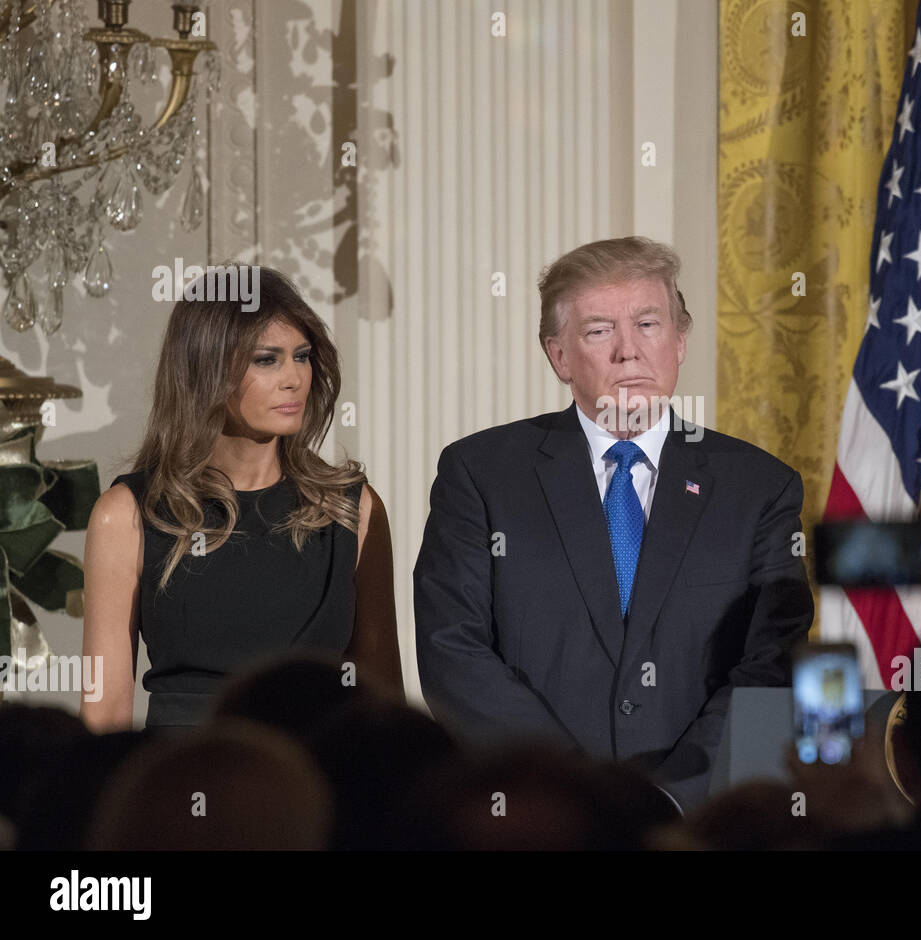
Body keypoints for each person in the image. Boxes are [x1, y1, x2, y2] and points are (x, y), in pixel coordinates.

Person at [413, 236, 814, 811]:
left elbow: (775, 659)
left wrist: (673, 796)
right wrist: (577, 790)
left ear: (679, 341)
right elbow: (452, 648)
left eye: (649, 324)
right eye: (599, 330)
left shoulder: (759, 487)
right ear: (559, 356)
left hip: (698, 822)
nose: (629, 352)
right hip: (537, 816)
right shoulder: (481, 473)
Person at [81, 265, 402, 732]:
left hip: (319, 784)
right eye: (266, 359)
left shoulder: (352, 509)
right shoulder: (128, 514)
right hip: (184, 776)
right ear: (205, 370)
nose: (294, 378)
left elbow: (383, 702)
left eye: (302, 356)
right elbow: (104, 715)